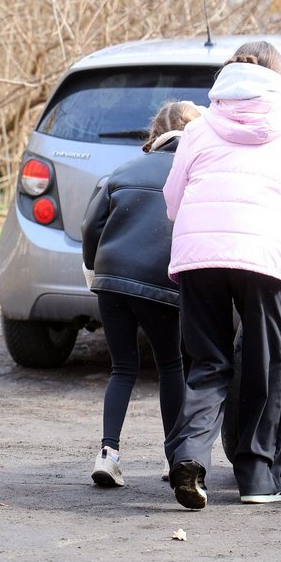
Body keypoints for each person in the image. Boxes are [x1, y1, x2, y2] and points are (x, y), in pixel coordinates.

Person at [162, 40, 281, 509]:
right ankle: (258, 479)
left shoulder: (198, 129)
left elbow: (173, 201)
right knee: (264, 366)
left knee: (208, 363)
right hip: (260, 259)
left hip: (198, 257)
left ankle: (189, 458)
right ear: (280, 81)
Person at [81, 100, 202, 487]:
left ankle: (108, 454)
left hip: (111, 278)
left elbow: (90, 226)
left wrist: (93, 268)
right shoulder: (194, 173)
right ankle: (174, 457)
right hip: (159, 281)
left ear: (155, 133)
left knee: (122, 368)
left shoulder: (123, 170)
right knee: (170, 366)